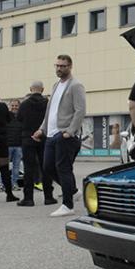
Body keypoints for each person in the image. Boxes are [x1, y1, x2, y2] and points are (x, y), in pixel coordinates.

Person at [33, 54, 86, 217]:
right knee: (48, 167)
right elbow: (50, 111)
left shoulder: (76, 85)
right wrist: (41, 129)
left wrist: (70, 131)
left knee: (63, 168)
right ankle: (73, 191)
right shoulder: (56, 85)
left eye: (63, 66)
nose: (59, 68)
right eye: (57, 65)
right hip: (51, 134)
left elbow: (80, 110)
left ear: (70, 67)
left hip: (64, 135)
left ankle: (68, 205)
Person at [17, 81, 49, 207]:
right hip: (44, 137)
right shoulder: (47, 103)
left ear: (31, 89)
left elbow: (19, 118)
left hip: (28, 138)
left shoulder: (25, 104)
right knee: (45, 167)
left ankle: (28, 198)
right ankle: (48, 196)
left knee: (28, 168)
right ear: (42, 89)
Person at [1, 99, 22, 192]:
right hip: (7, 145)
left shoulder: (22, 117)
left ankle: (14, 184)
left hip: (18, 145)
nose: (14, 107)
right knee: (4, 167)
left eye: (16, 106)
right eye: (12, 106)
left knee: (16, 167)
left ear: (19, 106)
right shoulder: (5, 117)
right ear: (9, 107)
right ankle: (2, 185)